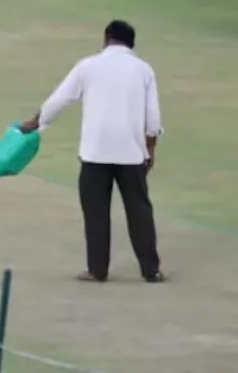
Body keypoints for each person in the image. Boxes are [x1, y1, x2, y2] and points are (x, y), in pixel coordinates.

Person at [19, 20, 165, 283]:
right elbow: (153, 118)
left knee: (96, 212)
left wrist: (36, 123)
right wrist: (150, 150)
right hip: (131, 154)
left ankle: (97, 269)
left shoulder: (88, 66)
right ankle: (150, 269)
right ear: (131, 43)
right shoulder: (144, 70)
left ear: (107, 38)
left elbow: (60, 98)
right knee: (140, 211)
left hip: (95, 153)